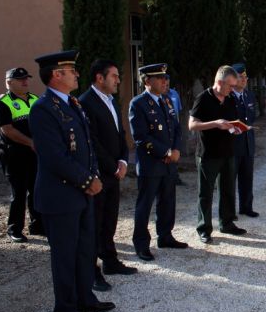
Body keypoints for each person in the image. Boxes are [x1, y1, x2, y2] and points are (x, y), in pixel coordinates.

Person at [29, 50, 114, 312]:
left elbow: (85, 147)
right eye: (71, 70)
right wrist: (88, 180)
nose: (77, 74)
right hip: (61, 197)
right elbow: (54, 156)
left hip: (82, 194)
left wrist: (93, 179)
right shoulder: (43, 109)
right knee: (64, 258)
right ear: (56, 75)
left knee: (84, 251)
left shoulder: (72, 103)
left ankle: (84, 298)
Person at [80, 60, 137, 292]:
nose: (118, 80)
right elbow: (91, 141)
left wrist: (123, 160)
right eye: (114, 76)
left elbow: (120, 134)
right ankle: (92, 272)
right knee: (95, 223)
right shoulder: (86, 102)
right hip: (99, 174)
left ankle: (110, 261)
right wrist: (112, 165)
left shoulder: (111, 100)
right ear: (99, 78)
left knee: (110, 220)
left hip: (115, 171)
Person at [129, 63, 187, 261]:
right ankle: (141, 244)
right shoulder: (138, 104)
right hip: (151, 164)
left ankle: (165, 235)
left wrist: (177, 149)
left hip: (169, 163)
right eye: (160, 78)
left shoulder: (166, 101)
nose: (165, 81)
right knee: (144, 205)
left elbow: (176, 128)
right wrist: (167, 152)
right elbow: (141, 137)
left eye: (165, 78)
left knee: (168, 201)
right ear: (147, 81)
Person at [188, 65, 247, 244]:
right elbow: (192, 125)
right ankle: (204, 228)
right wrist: (215, 123)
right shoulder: (203, 98)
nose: (232, 89)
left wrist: (235, 129)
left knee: (228, 190)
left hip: (228, 152)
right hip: (208, 154)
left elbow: (232, 121)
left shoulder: (229, 100)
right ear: (219, 82)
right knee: (205, 193)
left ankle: (227, 223)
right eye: (230, 86)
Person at [0, 67, 43, 242]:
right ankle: (14, 229)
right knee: (18, 192)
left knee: (35, 189)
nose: (25, 82)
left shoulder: (35, 99)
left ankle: (37, 225)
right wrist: (31, 142)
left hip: (33, 154)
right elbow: (7, 130)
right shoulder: (3, 103)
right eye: (20, 79)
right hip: (13, 154)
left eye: (26, 78)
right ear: (9, 83)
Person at [231, 63, 258, 218]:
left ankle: (246, 207)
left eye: (245, 77)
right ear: (233, 79)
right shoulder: (228, 97)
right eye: (240, 77)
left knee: (247, 177)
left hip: (248, 143)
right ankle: (230, 211)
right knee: (230, 179)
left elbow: (251, 118)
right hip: (233, 145)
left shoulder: (249, 95)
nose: (243, 80)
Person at [163, 75, 185, 186]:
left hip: (174, 126)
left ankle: (175, 177)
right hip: (164, 131)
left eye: (168, 84)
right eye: (164, 84)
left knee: (175, 152)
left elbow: (178, 111)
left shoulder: (174, 94)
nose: (166, 86)